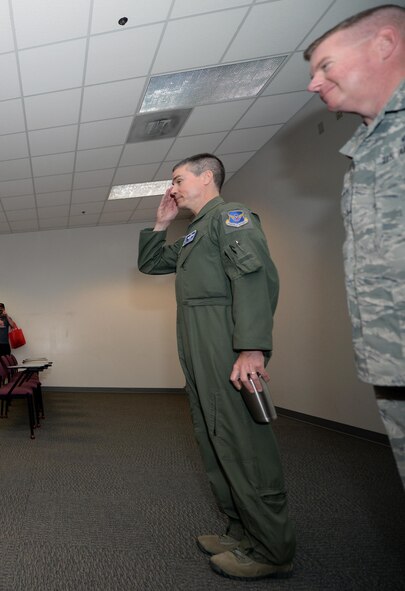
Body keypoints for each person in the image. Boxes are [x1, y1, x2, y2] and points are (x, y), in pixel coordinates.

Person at [137, 154, 295, 580]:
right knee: (214, 439)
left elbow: (254, 279)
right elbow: (151, 264)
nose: (172, 187)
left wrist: (251, 348)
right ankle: (240, 531)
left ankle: (271, 547)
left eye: (178, 179)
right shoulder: (195, 232)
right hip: (198, 345)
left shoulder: (231, 218)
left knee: (244, 445)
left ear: (207, 178)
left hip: (226, 347)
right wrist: (160, 223)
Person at [305, 4, 405, 490]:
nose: (314, 83)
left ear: (385, 44)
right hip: (392, 356)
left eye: (326, 65)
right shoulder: (367, 146)